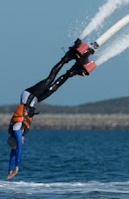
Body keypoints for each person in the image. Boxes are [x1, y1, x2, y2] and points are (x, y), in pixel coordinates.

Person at [6, 39, 98, 179]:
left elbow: (17, 150)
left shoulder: (17, 130)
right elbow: (13, 152)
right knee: (56, 86)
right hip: (35, 100)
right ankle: (73, 70)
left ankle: (68, 56)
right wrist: (9, 169)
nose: (22, 142)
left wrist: (16, 167)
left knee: (50, 79)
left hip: (29, 96)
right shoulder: (18, 133)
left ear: (16, 140)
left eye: (20, 142)